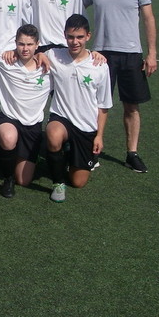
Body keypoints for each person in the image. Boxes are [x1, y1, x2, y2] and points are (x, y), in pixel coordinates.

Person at [82, 0, 157, 173]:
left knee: (131, 106)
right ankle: (91, 152)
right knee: (96, 106)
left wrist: (152, 53)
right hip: (100, 55)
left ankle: (131, 153)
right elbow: (77, 10)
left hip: (131, 54)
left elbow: (148, 18)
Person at [45, 14, 112, 203]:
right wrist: (40, 54)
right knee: (53, 133)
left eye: (80, 37)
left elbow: (103, 105)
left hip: (86, 126)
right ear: (64, 36)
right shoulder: (54, 55)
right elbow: (35, 53)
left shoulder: (99, 66)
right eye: (70, 37)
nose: (75, 42)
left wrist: (99, 135)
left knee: (78, 182)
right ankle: (58, 183)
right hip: (62, 118)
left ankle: (69, 153)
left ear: (88, 36)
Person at [0, 24, 51, 198]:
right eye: (21, 44)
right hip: (9, 119)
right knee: (9, 139)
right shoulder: (5, 60)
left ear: (37, 44)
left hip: (32, 126)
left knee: (24, 180)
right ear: (15, 43)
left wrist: (94, 54)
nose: (25, 48)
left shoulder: (48, 66)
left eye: (30, 44)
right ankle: (8, 180)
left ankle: (33, 151)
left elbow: (71, 58)